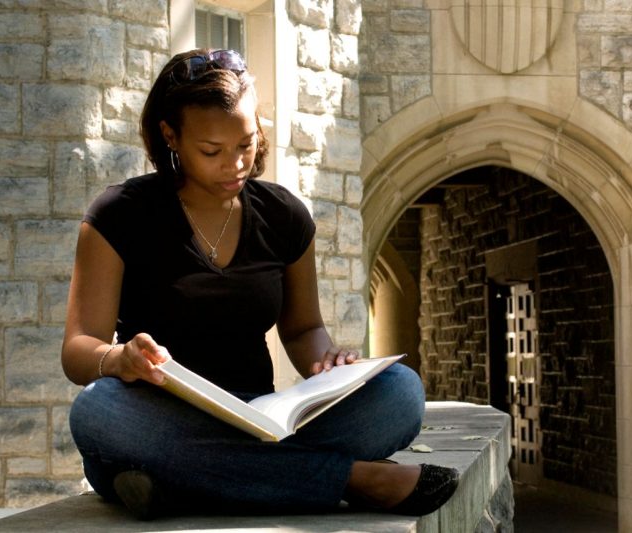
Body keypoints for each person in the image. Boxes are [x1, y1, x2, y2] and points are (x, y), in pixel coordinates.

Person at [61, 48, 459, 520]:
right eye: (212, 151)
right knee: (98, 410)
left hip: (260, 415)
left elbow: (302, 329)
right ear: (171, 136)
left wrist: (328, 363)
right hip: (159, 417)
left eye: (246, 144)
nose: (235, 165)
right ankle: (353, 479)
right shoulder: (119, 214)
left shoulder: (284, 215)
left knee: (401, 393)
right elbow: (77, 351)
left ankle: (192, 485)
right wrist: (119, 359)